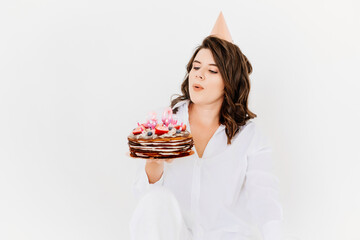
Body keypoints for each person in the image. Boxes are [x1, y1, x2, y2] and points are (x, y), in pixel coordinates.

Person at [129, 12, 283, 240]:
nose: (199, 75)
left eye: (212, 71)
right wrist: (154, 165)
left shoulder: (249, 136)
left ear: (229, 82)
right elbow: (148, 206)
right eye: (196, 67)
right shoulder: (166, 123)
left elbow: (264, 199)